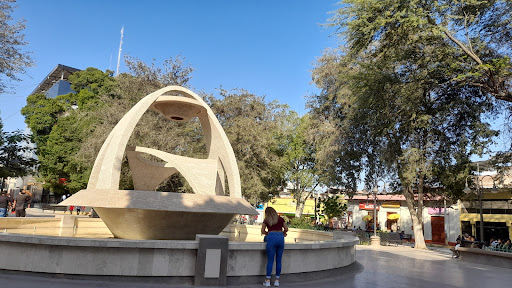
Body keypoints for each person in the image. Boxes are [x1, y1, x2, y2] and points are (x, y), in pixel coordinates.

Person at [261, 207, 288, 287]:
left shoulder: (266, 220)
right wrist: (283, 233)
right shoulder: (280, 219)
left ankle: (268, 281)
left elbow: (262, 231)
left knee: (270, 260)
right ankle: (277, 281)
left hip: (271, 237)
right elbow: (286, 228)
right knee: (279, 260)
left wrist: (268, 233)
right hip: (280, 238)